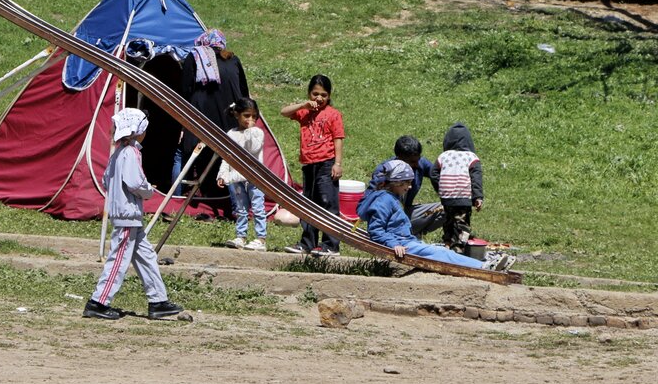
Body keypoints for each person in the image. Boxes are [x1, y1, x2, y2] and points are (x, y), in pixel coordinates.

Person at [83, 108, 185, 321]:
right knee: (119, 259)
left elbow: (106, 180)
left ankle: (158, 300)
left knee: (146, 257)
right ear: (139, 131)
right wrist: (148, 190)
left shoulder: (119, 152)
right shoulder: (130, 152)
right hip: (127, 214)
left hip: (128, 214)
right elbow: (134, 182)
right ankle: (99, 301)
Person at [358, 160, 511, 271]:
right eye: (407, 183)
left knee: (439, 250)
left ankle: (482, 263)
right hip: (402, 245)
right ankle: (482, 266)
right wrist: (393, 244)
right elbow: (376, 230)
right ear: (396, 183)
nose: (410, 187)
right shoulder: (384, 201)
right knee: (438, 253)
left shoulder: (389, 198)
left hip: (406, 241)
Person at [173, 29, 251, 192]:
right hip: (230, 122)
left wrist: (182, 125)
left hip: (200, 120)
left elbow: (185, 91)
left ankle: (177, 198)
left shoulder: (195, 58)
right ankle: (236, 204)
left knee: (183, 154)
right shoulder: (233, 60)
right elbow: (244, 93)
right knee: (230, 159)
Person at [281, 74, 344, 256]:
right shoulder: (304, 112)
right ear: (309, 93)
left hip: (326, 163)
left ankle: (331, 245)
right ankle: (307, 242)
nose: (319, 98)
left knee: (327, 203)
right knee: (308, 203)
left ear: (329, 95)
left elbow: (338, 139)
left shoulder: (333, 114)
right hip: (309, 164)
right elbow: (284, 112)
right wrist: (303, 105)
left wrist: (337, 163)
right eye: (315, 94)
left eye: (324, 95)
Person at [363, 135, 445, 238]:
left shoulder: (420, 164)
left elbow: (437, 175)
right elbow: (369, 199)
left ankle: (413, 232)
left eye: (418, 159)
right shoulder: (384, 172)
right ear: (399, 159)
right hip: (389, 218)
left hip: (406, 213)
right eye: (412, 162)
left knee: (448, 207)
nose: (416, 164)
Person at [216, 98, 267, 250]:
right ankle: (241, 236)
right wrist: (222, 174)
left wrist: (250, 130)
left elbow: (254, 148)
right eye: (246, 116)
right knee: (240, 208)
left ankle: (261, 239)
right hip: (236, 178)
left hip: (254, 178)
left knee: (258, 207)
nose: (250, 120)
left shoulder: (257, 132)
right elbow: (227, 156)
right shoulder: (231, 134)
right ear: (237, 115)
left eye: (254, 116)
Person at [431, 122, 484, 255]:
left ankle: (447, 243)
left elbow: (433, 174)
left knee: (448, 220)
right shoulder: (471, 157)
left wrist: (442, 187)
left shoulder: (443, 156)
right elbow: (476, 179)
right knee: (461, 224)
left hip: (447, 197)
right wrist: (477, 197)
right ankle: (458, 249)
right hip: (463, 196)